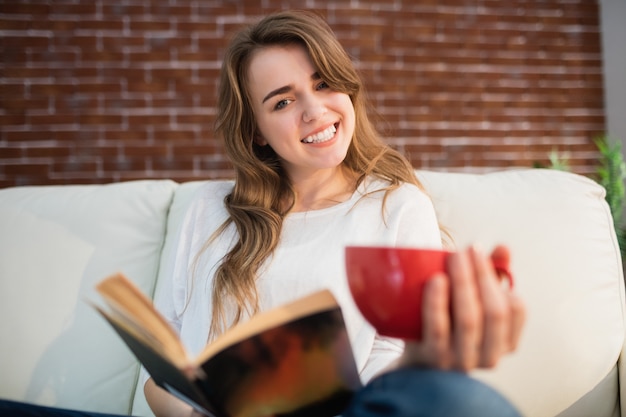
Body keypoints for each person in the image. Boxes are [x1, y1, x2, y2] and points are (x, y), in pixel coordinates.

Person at [0, 9, 525, 417]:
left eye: (322, 83)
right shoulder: (210, 211)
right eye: (282, 101)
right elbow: (160, 376)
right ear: (255, 130)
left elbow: (399, 364)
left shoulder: (394, 204)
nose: (314, 110)